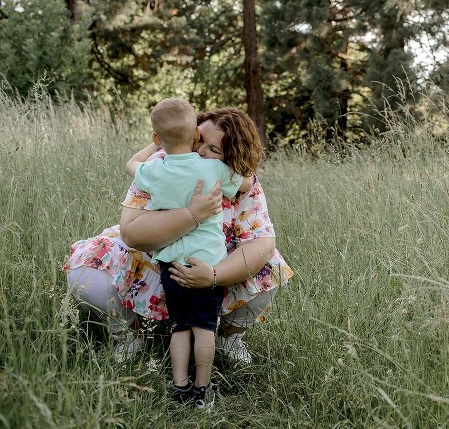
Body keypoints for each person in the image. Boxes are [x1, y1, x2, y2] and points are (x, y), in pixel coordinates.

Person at [64, 107, 293, 371]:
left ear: (232, 157)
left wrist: (214, 275)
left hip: (209, 264)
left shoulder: (234, 178)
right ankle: (131, 334)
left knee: (270, 266)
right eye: (199, 140)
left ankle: (228, 337)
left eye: (214, 150)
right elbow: (131, 233)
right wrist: (192, 215)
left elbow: (261, 242)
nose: (200, 152)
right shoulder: (162, 163)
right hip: (151, 260)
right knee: (85, 271)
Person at [125, 98, 253, 408]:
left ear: (158, 139)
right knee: (204, 328)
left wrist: (157, 144)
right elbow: (245, 184)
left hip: (172, 264)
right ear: (196, 135)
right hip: (207, 263)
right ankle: (201, 388)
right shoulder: (213, 168)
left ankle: (180, 384)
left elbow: (130, 164)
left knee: (180, 326)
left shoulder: (154, 170)